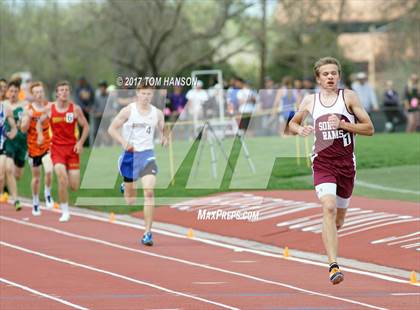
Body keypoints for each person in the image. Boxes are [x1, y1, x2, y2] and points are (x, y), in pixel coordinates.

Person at [289, 57, 374, 285]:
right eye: (325, 74)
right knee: (328, 207)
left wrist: (344, 125)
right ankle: (333, 266)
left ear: (339, 76)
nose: (330, 77)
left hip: (346, 165)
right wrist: (300, 129)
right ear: (318, 78)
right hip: (323, 163)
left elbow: (369, 128)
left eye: (334, 73)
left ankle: (329, 234)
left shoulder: (349, 97)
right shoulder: (310, 101)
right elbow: (292, 123)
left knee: (338, 221)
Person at [108, 81, 166, 246]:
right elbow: (111, 129)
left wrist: (164, 137)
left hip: (148, 155)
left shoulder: (157, 113)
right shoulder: (128, 111)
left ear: (152, 95)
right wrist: (123, 142)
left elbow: (163, 128)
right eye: (143, 93)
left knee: (148, 192)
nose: (146, 97)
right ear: (138, 94)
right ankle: (125, 185)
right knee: (130, 201)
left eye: (149, 94)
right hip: (130, 156)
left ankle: (147, 233)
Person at [38, 81, 89, 222]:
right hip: (57, 149)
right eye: (62, 90)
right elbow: (39, 122)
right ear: (57, 93)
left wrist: (80, 142)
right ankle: (65, 211)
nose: (64, 92)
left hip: (72, 149)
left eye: (67, 89)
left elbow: (86, 126)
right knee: (62, 179)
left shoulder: (75, 109)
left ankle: (66, 177)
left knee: (74, 186)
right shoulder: (49, 108)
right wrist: (41, 135)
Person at [20, 81, 54, 216]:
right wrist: (28, 118)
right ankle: (35, 201)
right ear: (33, 95)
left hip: (48, 145)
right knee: (36, 177)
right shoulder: (28, 109)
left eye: (41, 92)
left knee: (49, 170)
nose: (39, 94)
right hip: (33, 147)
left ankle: (47, 193)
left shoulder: (49, 106)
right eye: (37, 92)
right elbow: (23, 129)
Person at [3, 80, 28, 210]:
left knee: (18, 175)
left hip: (22, 143)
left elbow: (27, 122)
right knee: (8, 169)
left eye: (15, 91)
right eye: (11, 91)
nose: (13, 94)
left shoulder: (24, 105)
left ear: (19, 92)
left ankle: (9, 186)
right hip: (8, 142)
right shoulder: (3, 105)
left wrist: (22, 124)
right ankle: (16, 200)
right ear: (7, 92)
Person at [0, 101, 18, 202]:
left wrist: (12, 134)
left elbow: (14, 127)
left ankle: (15, 199)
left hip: (1, 145)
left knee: (1, 176)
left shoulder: (5, 108)